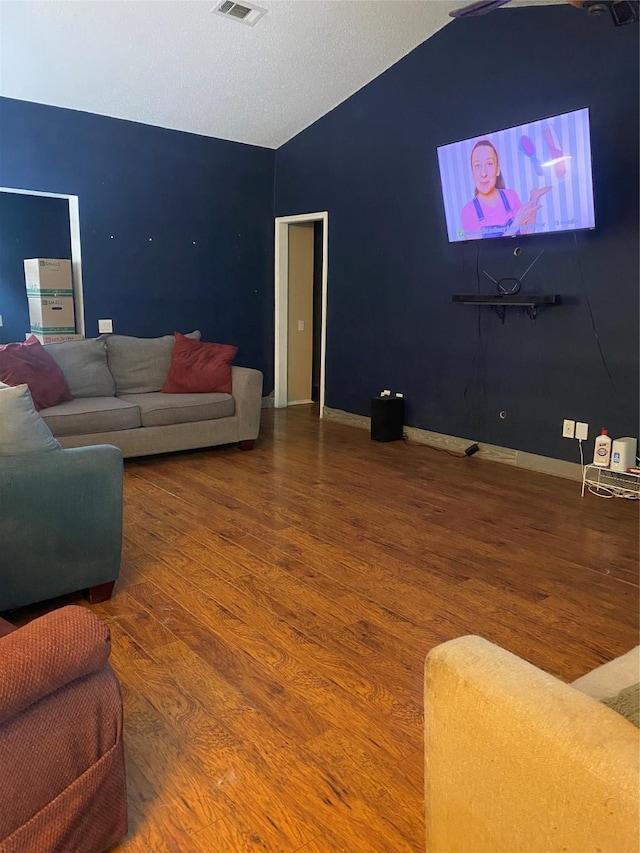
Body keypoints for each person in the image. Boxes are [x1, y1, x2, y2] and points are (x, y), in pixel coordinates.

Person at [461, 139, 550, 240]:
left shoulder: (510, 196)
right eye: (477, 166)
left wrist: (534, 199)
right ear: (472, 173)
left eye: (489, 164)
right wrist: (516, 224)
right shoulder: (468, 211)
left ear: (498, 170)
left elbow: (527, 235)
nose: (483, 173)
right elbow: (481, 253)